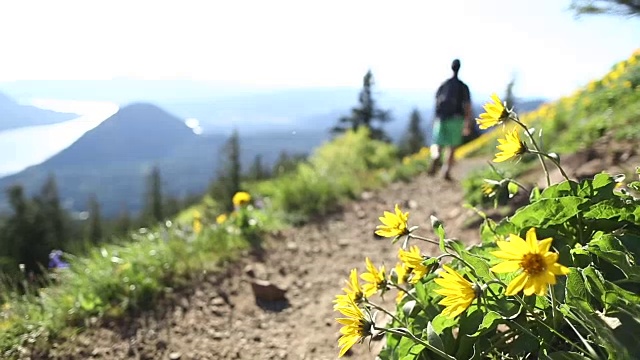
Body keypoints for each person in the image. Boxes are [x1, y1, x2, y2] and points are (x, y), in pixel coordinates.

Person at [427, 59, 473, 181]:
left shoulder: (444, 84)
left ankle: (436, 155)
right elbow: (467, 106)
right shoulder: (463, 87)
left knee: (437, 142)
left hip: (441, 117)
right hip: (456, 119)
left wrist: (435, 118)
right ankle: (445, 170)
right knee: (452, 146)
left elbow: (436, 101)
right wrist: (467, 123)